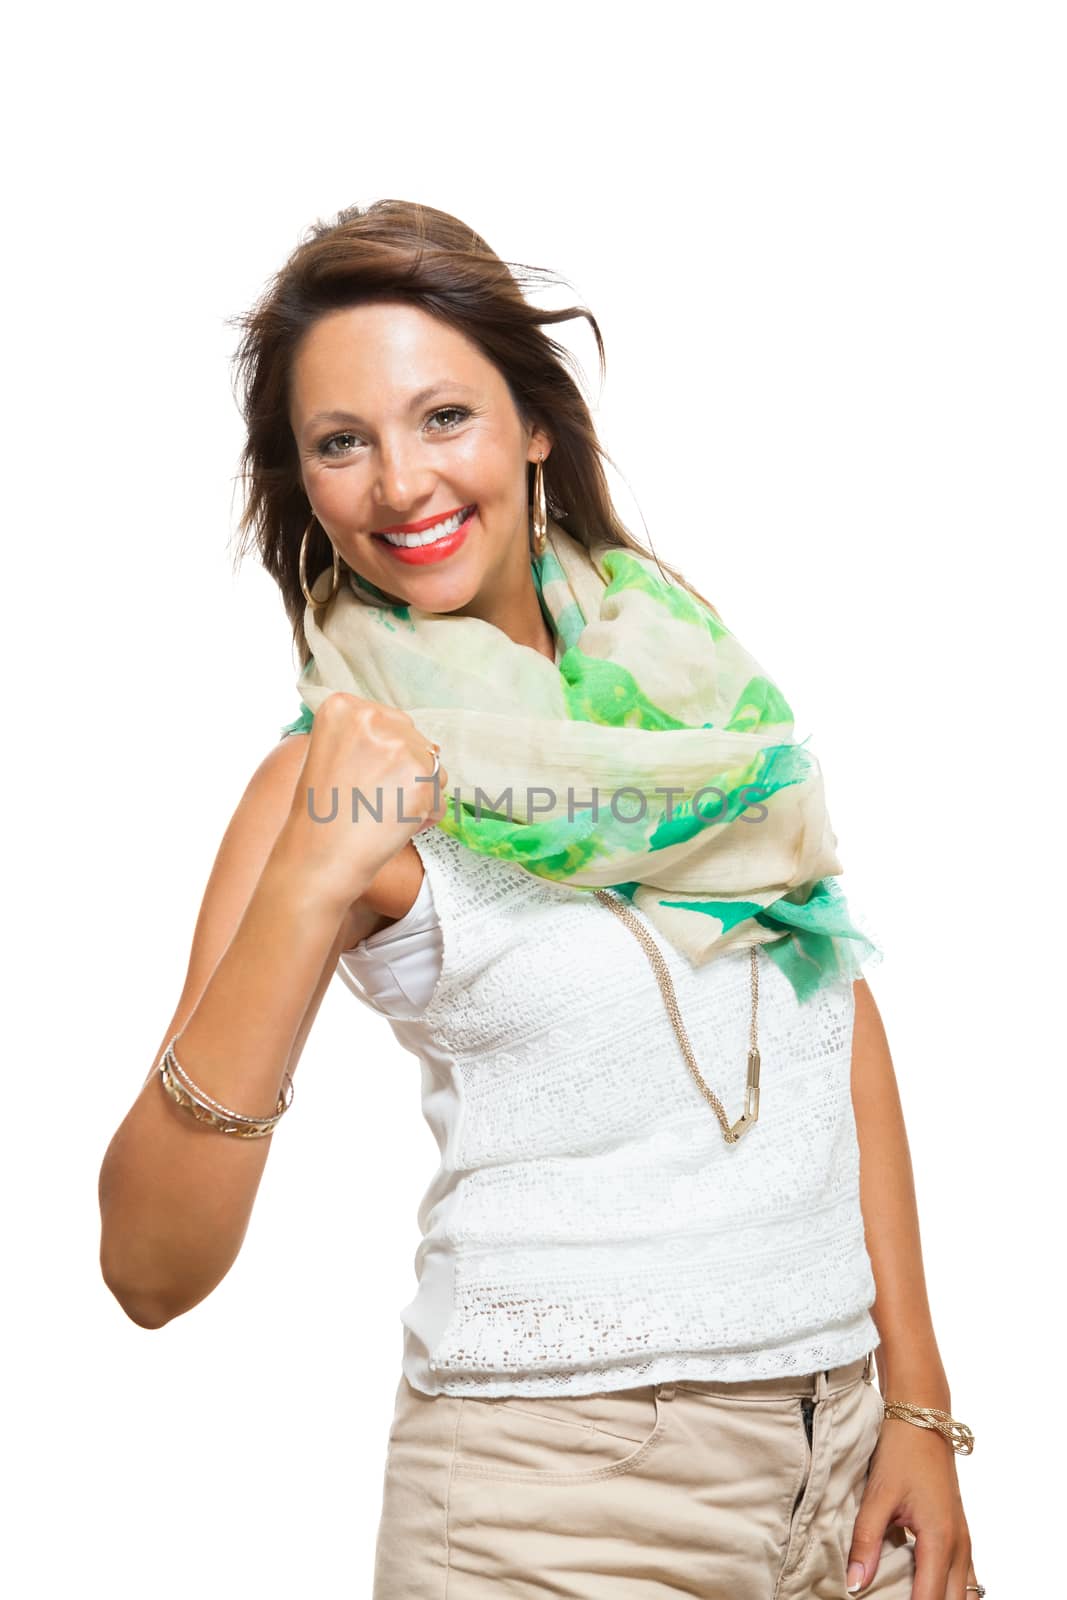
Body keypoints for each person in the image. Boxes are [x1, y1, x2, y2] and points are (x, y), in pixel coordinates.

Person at [97, 199, 982, 1600]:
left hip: (844, 1471)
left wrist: (920, 1407)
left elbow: (832, 1007)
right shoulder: (327, 779)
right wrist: (317, 869)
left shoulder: (685, 691)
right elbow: (150, 1264)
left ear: (535, 425)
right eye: (343, 442)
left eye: (442, 416)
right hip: (552, 1506)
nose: (400, 483)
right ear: (304, 482)